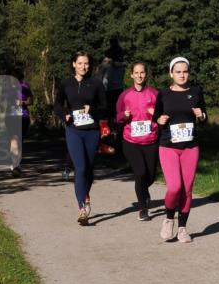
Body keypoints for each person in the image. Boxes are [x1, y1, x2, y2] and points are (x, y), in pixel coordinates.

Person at [153, 57, 207, 243]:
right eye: (178, 72)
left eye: (185, 71)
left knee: (187, 188)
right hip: (168, 146)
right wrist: (159, 120)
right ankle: (169, 219)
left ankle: (182, 228)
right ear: (171, 74)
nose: (182, 75)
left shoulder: (196, 92)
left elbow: (204, 118)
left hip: (190, 147)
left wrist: (201, 116)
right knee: (175, 187)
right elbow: (156, 116)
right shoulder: (164, 94)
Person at [54, 51, 106, 225]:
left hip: (92, 131)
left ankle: (86, 195)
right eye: (80, 63)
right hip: (73, 130)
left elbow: (105, 107)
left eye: (86, 63)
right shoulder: (65, 83)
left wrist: (93, 109)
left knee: (89, 169)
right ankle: (82, 208)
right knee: (81, 168)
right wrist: (64, 115)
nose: (84, 66)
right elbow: (57, 105)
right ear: (73, 64)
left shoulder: (96, 84)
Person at [116, 62, 159, 220]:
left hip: (151, 140)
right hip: (131, 142)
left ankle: (143, 191)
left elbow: (163, 116)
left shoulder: (154, 94)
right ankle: (143, 208)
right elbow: (117, 117)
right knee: (140, 173)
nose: (139, 75)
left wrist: (156, 113)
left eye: (142, 72)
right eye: (136, 72)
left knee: (151, 176)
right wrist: (124, 116)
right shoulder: (125, 95)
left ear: (146, 74)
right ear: (132, 75)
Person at [5, 69, 32, 176]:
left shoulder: (25, 86)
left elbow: (31, 101)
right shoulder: (6, 88)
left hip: (23, 117)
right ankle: (15, 165)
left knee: (19, 141)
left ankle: (17, 164)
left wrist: (22, 102)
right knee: (14, 139)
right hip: (10, 117)